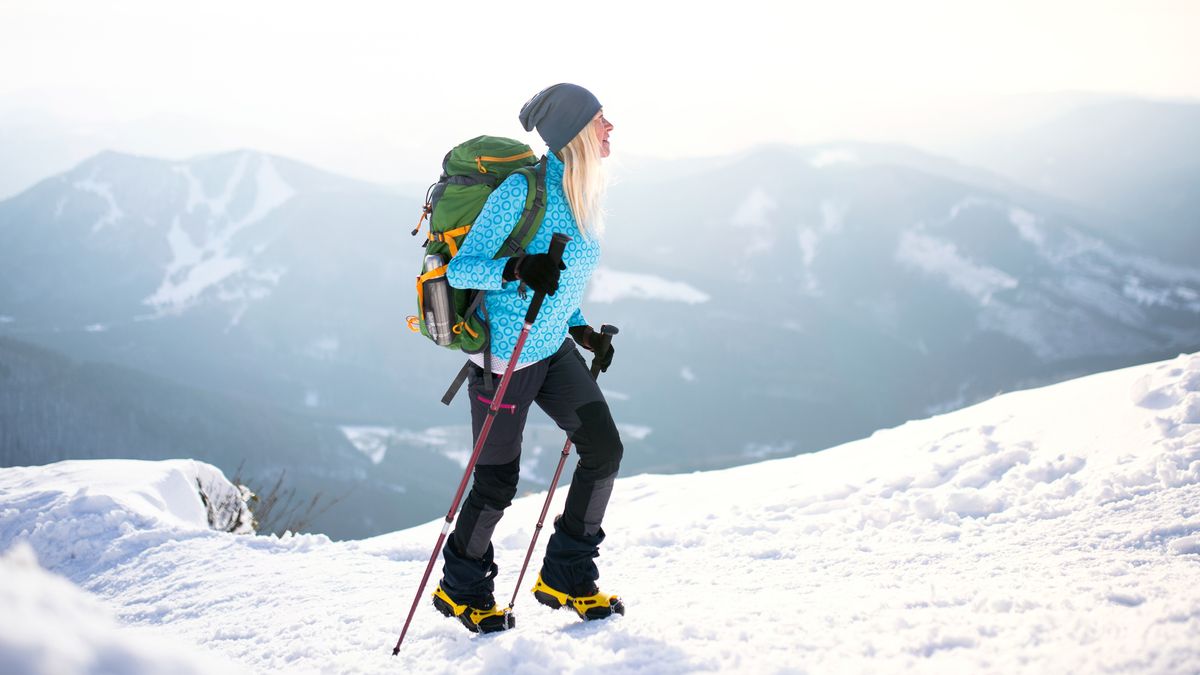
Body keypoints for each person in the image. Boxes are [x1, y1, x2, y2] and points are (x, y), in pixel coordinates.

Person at [431, 83, 624, 633]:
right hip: (506, 359)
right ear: (574, 133)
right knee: (495, 484)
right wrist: (516, 270)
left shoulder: (579, 191)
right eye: (601, 120)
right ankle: (462, 590)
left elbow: (560, 282)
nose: (611, 129)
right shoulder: (522, 190)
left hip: (550, 345)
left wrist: (581, 329)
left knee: (603, 451)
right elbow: (463, 270)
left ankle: (567, 576)